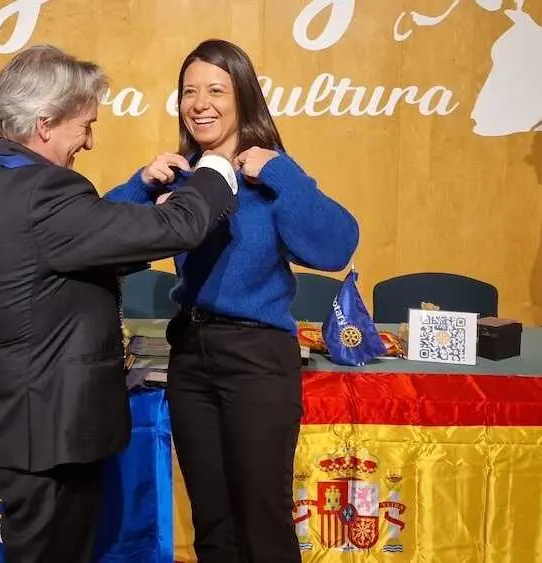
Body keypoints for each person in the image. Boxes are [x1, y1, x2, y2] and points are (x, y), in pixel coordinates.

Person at [0, 44, 238, 563]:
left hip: (22, 425)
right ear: (44, 123)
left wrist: (140, 193)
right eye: (84, 125)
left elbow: (75, 250)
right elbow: (180, 227)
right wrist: (216, 169)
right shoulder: (44, 192)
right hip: (48, 434)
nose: (88, 140)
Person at [105, 39, 360, 563]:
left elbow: (336, 247)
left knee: (263, 524)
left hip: (257, 359)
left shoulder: (270, 175)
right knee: (213, 526)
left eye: (216, 90)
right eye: (189, 91)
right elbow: (102, 242)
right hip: (191, 355)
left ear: (243, 96)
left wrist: (280, 172)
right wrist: (141, 185)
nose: (200, 104)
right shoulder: (183, 179)